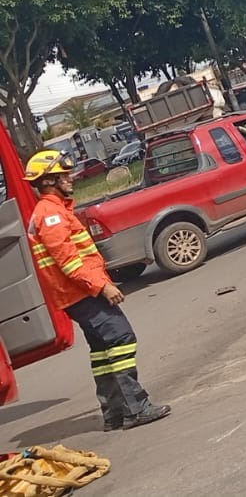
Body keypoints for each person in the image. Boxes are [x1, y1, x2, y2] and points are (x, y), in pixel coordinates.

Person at [23, 150, 171, 431]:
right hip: (81, 292)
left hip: (77, 293)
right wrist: (102, 286)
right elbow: (69, 261)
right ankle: (136, 408)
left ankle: (114, 413)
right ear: (47, 181)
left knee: (103, 350)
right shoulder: (51, 214)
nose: (70, 179)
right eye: (63, 175)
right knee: (122, 338)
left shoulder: (53, 211)